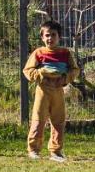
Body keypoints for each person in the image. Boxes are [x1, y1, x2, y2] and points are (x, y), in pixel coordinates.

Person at [22, 19, 80, 162]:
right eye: (47, 35)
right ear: (42, 37)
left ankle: (56, 151)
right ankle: (33, 149)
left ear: (59, 37)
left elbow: (75, 70)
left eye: (53, 35)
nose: (50, 38)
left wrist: (65, 79)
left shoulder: (65, 53)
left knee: (58, 120)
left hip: (58, 90)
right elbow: (27, 70)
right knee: (38, 119)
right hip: (43, 90)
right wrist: (40, 75)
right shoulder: (38, 53)